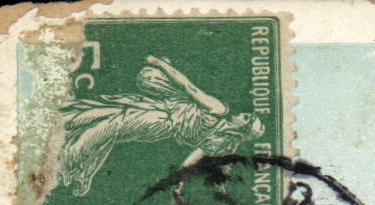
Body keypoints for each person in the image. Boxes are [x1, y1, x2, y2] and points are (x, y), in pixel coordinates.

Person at [57, 56, 266, 196]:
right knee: (110, 111)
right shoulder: (223, 138)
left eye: (246, 119)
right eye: (247, 115)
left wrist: (160, 64)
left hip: (162, 120)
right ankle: (69, 148)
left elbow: (188, 87)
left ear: (243, 129)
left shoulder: (218, 112)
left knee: (113, 123)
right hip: (160, 110)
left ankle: (68, 162)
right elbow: (198, 160)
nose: (243, 115)